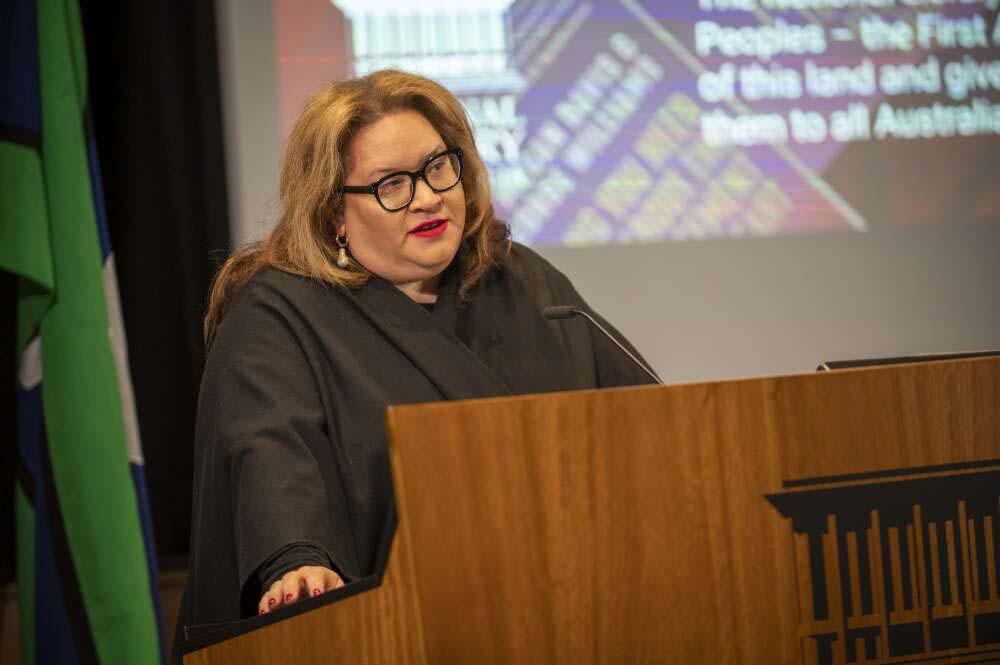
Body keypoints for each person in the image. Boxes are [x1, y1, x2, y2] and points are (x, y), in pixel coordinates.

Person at [176, 69, 656, 643]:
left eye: (436, 168)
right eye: (391, 184)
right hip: (389, 633)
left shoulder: (521, 280)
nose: (427, 197)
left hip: (570, 617)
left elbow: (639, 424)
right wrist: (296, 558)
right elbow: (270, 450)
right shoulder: (278, 315)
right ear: (334, 213)